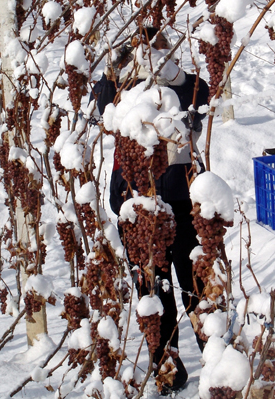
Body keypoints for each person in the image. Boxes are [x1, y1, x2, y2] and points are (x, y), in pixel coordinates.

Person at [92, 26, 209, 395]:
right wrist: (121, 63)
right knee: (152, 288)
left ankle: (216, 350)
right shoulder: (122, 94)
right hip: (136, 203)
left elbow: (203, 94)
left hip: (180, 199)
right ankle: (166, 363)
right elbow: (102, 97)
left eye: (159, 54)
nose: (151, 62)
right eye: (145, 54)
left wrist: (173, 76)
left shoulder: (182, 88)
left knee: (195, 280)